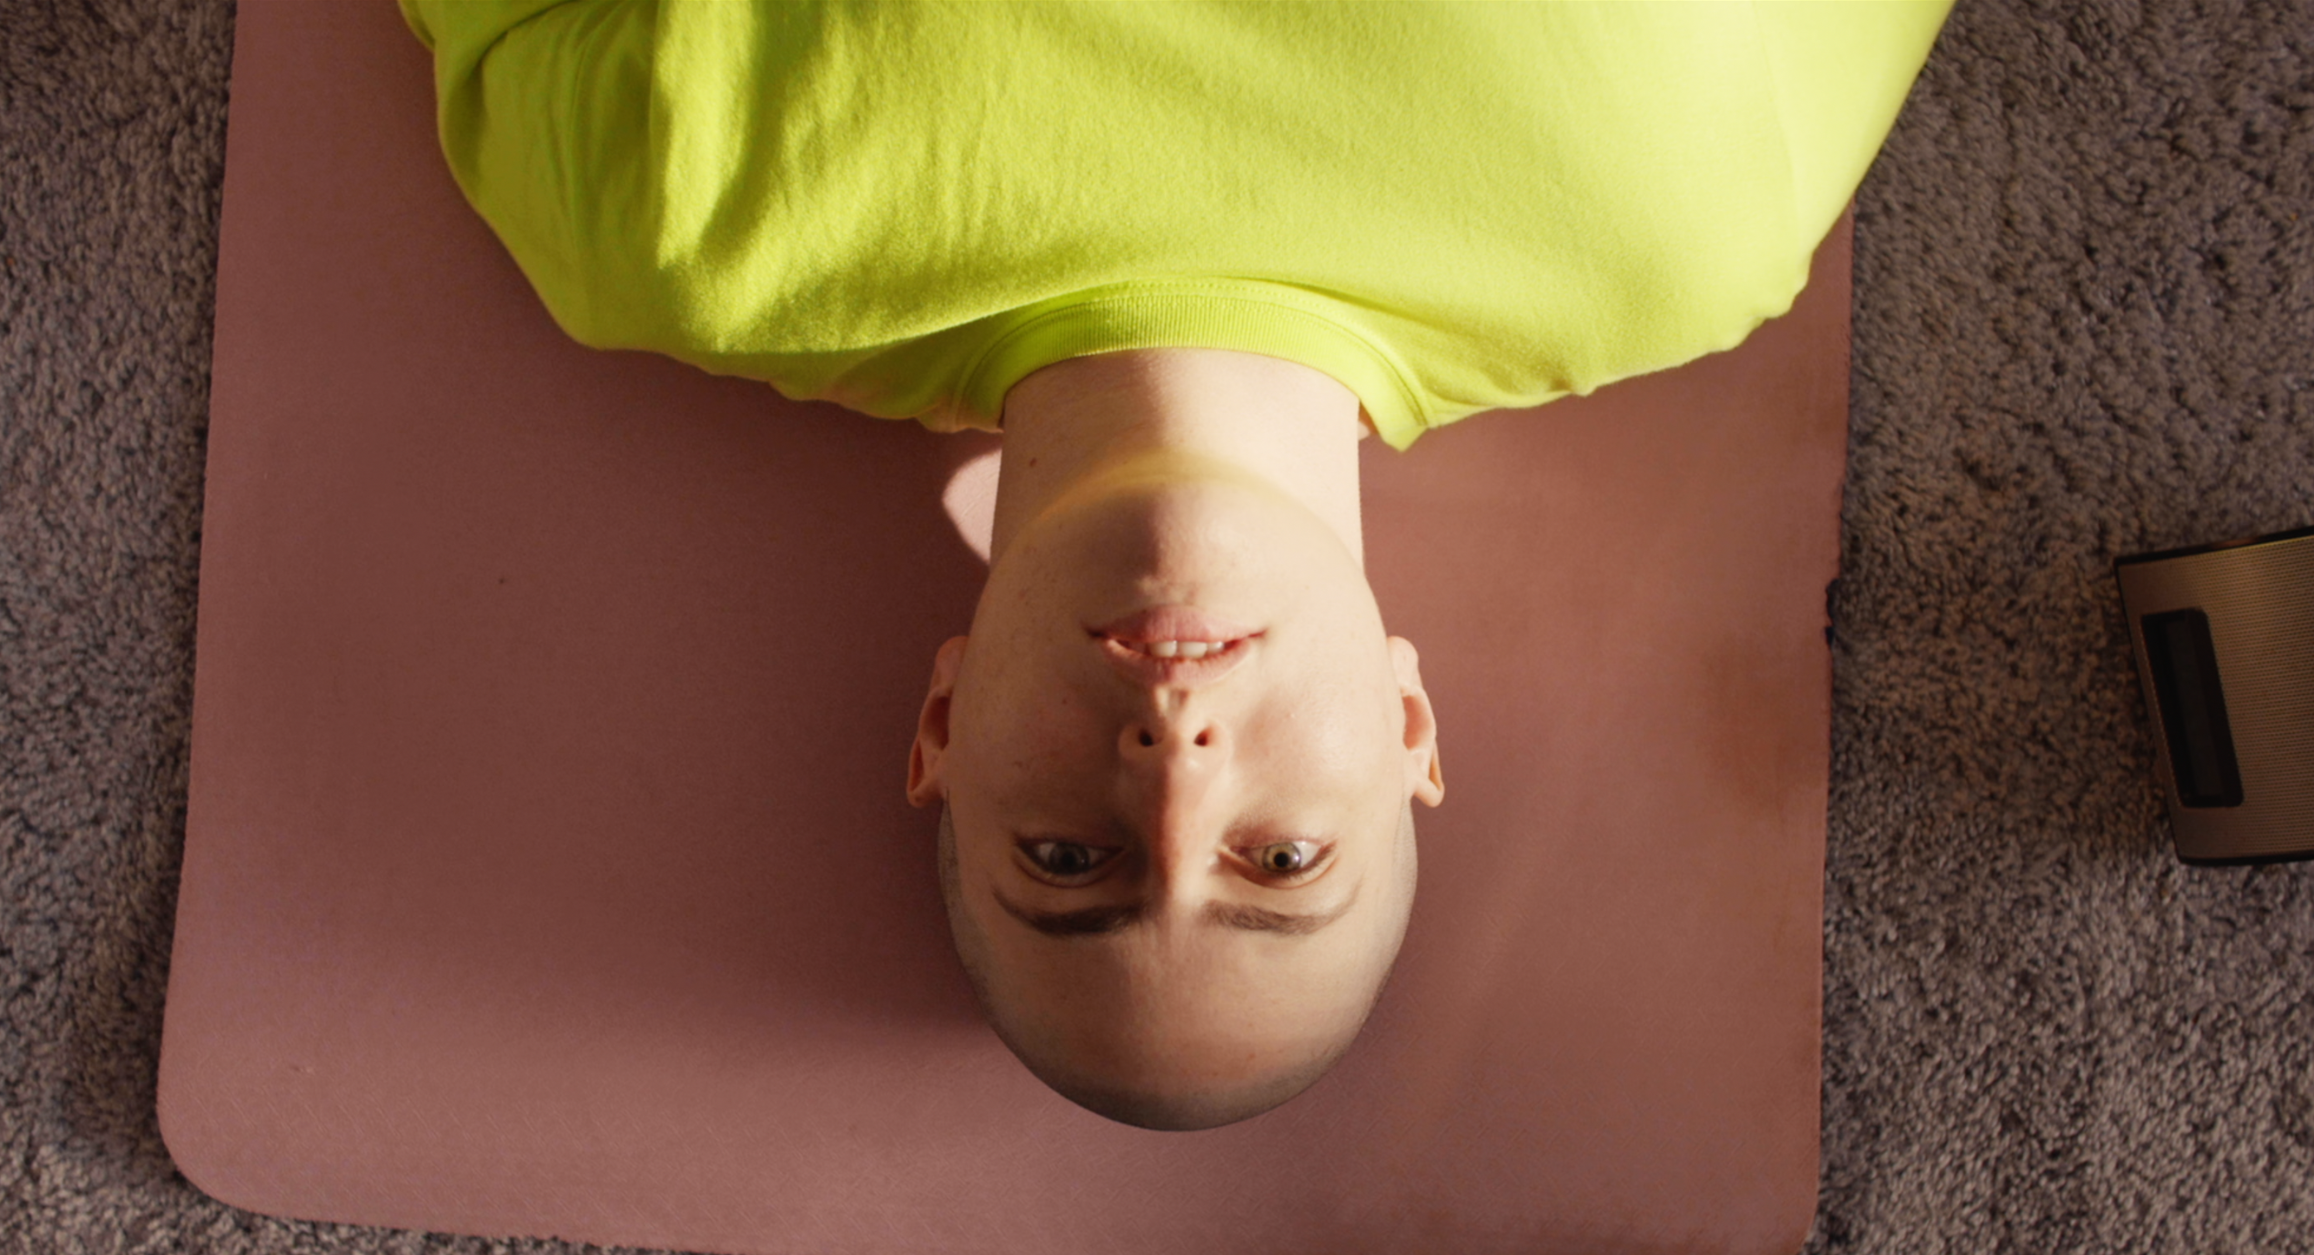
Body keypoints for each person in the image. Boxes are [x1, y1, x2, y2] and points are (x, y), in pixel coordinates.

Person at [400, 0, 1952, 1130]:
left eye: (1068, 861)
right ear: (1413, 731)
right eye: (1282, 862)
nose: (1172, 770)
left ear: (943, 730)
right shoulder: (1690, 220)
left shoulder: (667, 220)